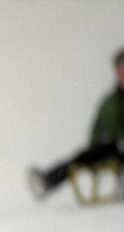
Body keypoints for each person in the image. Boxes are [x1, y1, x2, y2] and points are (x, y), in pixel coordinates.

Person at [29, 47, 124, 199]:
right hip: (110, 148)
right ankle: (48, 180)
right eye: (120, 69)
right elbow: (97, 127)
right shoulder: (110, 102)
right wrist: (98, 142)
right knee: (81, 158)